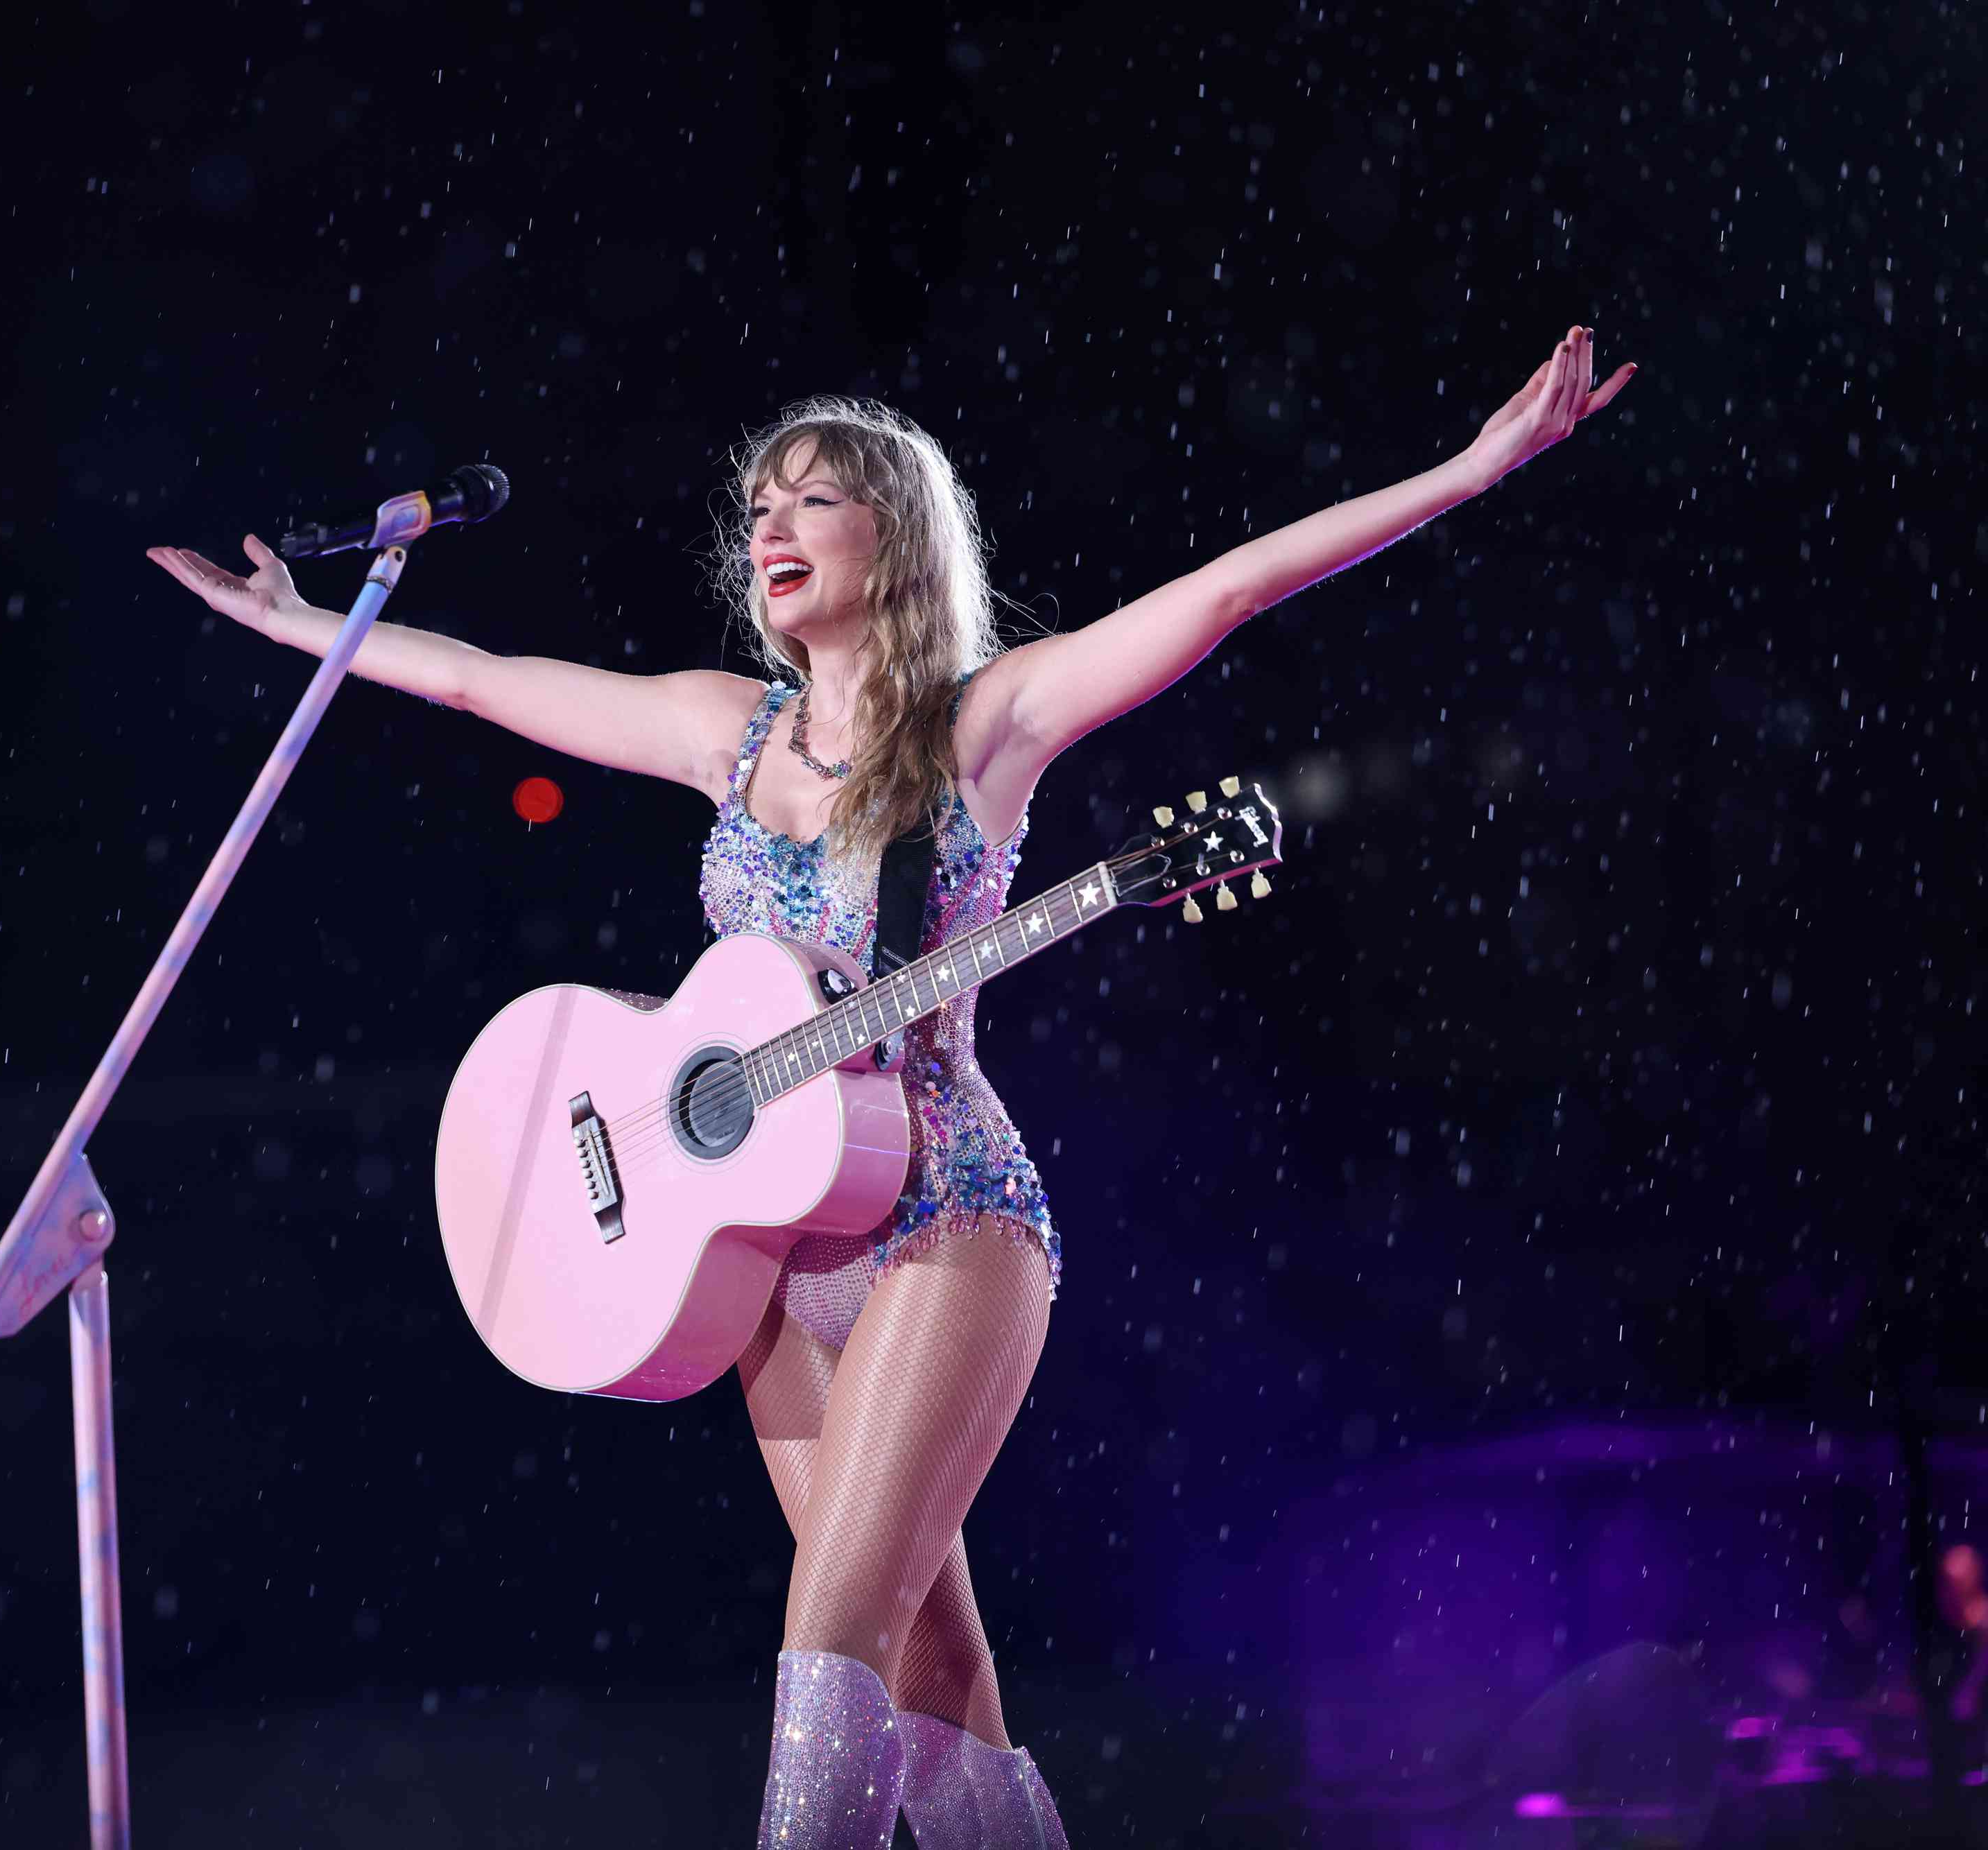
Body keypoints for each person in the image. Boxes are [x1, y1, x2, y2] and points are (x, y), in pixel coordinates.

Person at [148, 327, 1635, 1848]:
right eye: (759, 510)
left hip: (946, 1211)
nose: (769, 527)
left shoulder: (983, 726)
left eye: (812, 501)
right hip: (772, 1259)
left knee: (828, 1629)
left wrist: (1466, 468)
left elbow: (1229, 587)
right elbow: (477, 684)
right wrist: (303, 627)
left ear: (897, 536)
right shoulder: (725, 731)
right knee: (934, 1672)